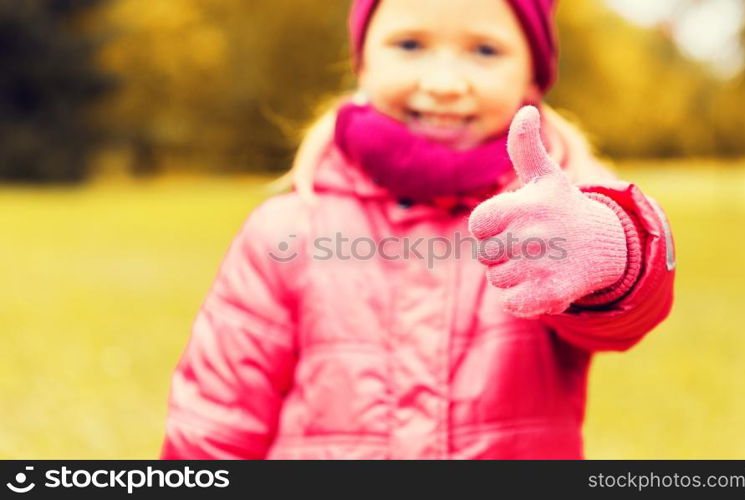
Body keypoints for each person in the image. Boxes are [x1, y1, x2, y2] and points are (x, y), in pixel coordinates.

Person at [160, 0, 675, 459]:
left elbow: (633, 306)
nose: (444, 83)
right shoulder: (288, 228)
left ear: (532, 78)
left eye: (485, 51)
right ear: (363, 63)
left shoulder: (552, 215)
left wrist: (609, 246)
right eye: (410, 44)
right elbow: (217, 417)